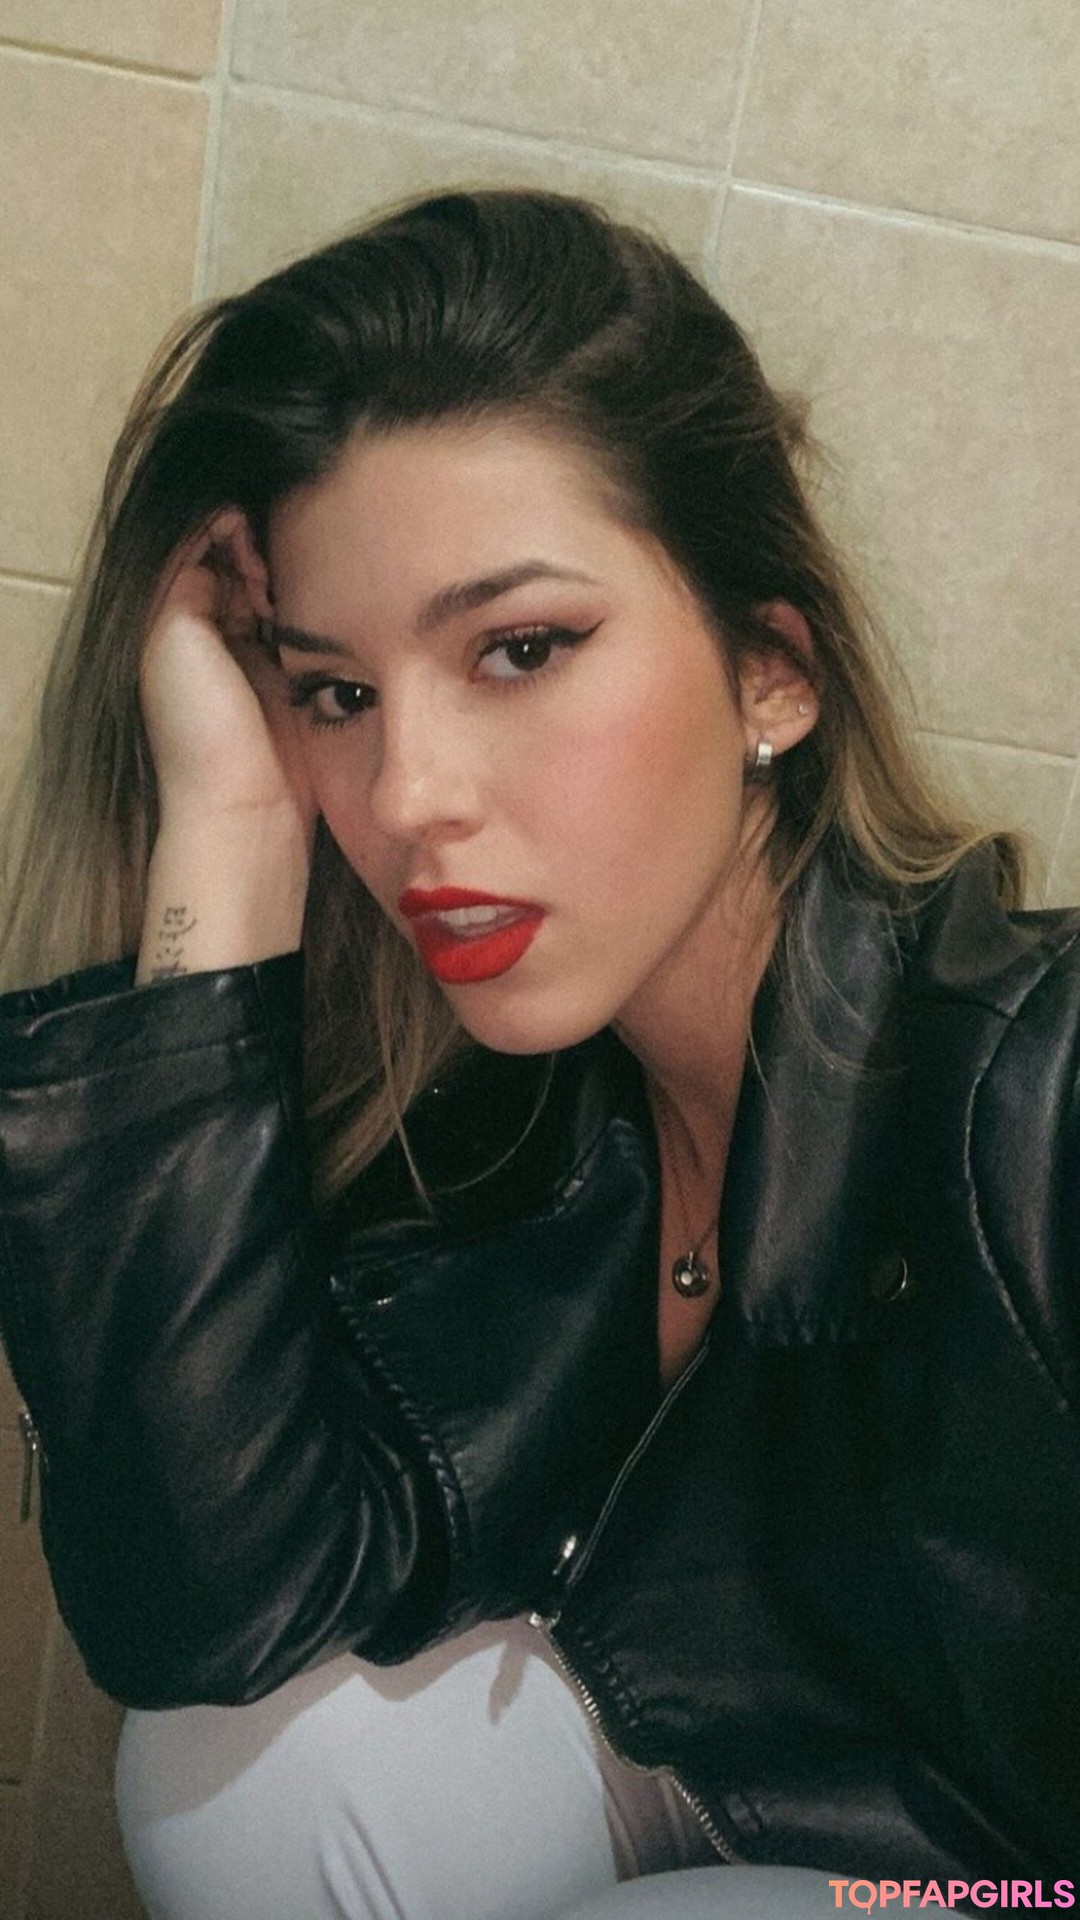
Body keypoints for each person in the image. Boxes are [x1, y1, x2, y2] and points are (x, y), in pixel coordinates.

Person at [0, 189, 1076, 1920]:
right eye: (336, 691)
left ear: (771, 672)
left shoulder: (1040, 1092)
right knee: (242, 1778)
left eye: (520, 649)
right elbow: (202, 1615)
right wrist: (229, 834)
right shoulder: (490, 1117)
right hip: (751, 1784)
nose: (407, 793)